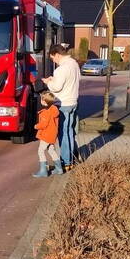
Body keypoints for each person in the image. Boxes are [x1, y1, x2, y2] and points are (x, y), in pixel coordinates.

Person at [42, 44, 80, 175]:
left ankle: (66, 162)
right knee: (70, 132)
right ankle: (73, 159)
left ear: (57, 54)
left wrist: (48, 82)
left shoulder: (61, 69)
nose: (54, 61)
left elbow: (56, 87)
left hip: (63, 103)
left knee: (63, 134)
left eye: (53, 58)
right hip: (73, 102)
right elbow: (71, 81)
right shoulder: (74, 64)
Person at [32, 92, 59, 178]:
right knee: (51, 150)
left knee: (41, 150)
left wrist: (36, 126)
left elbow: (43, 125)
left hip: (46, 134)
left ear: (44, 102)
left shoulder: (46, 113)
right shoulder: (54, 109)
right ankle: (59, 169)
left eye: (41, 99)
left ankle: (43, 171)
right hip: (52, 133)